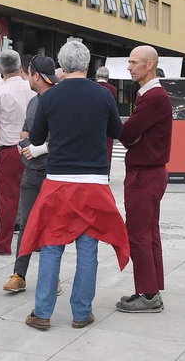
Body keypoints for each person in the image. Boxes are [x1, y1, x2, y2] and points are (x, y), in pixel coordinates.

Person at [20, 41, 128, 330]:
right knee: (88, 247)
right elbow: (116, 131)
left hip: (58, 181)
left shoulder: (50, 97)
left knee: (52, 245)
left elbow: (38, 135)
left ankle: (42, 312)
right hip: (93, 182)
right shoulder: (103, 95)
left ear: (61, 65)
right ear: (88, 65)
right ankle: (81, 313)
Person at [116, 45, 173, 313]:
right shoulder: (150, 95)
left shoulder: (153, 97)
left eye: (133, 62)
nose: (129, 66)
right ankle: (152, 289)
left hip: (145, 174)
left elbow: (127, 133)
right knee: (149, 233)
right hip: (149, 172)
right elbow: (131, 134)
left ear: (149, 65)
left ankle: (147, 294)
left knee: (139, 234)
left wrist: (132, 135)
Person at [3, 55, 56, 293]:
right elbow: (27, 129)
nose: (26, 77)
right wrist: (22, 142)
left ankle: (51, 278)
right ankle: (19, 275)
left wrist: (40, 148)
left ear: (35, 75)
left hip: (53, 173)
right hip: (31, 172)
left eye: (29, 73)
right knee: (26, 224)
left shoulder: (58, 101)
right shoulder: (34, 101)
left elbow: (64, 137)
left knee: (51, 226)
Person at [0, 50, 35, 256]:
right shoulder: (32, 88)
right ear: (20, 66)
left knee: (7, 199)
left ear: (0, 69)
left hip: (10, 150)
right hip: (32, 148)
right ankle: (35, 241)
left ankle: (3, 243)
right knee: (34, 197)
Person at [95, 64, 123, 169]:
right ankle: (106, 172)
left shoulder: (92, 87)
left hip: (93, 124)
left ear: (97, 76)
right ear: (107, 77)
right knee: (107, 149)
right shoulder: (113, 90)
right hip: (107, 124)